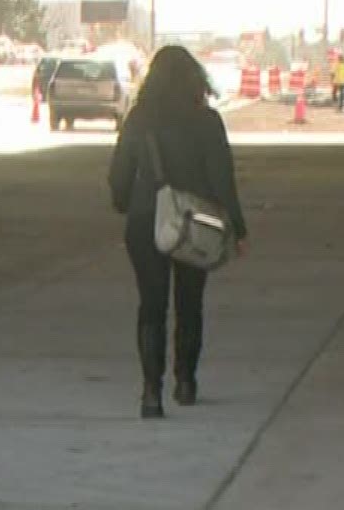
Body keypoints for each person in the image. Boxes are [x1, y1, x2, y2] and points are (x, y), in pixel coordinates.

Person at [107, 46, 250, 418]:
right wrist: (237, 226)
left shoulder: (138, 119)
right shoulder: (207, 121)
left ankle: (151, 393)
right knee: (190, 304)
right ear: (195, 80)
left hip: (145, 222)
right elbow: (222, 179)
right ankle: (186, 382)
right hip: (194, 224)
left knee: (151, 307)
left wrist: (126, 204)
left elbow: (118, 174)